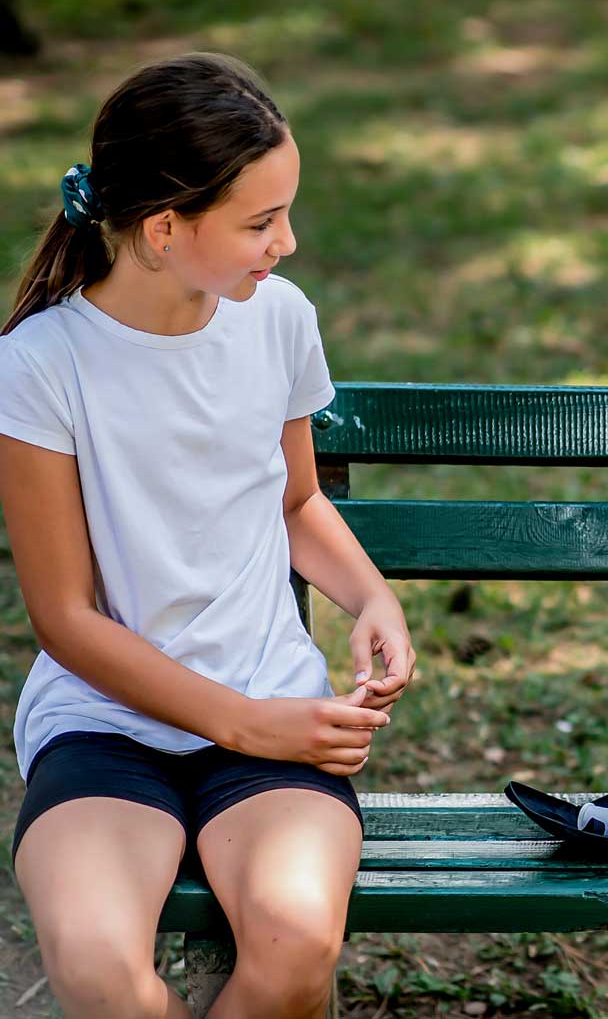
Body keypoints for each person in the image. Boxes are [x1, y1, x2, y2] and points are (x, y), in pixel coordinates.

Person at [0, 53, 416, 1019]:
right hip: (107, 726)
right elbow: (63, 618)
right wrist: (239, 719)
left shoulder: (277, 321)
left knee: (296, 944)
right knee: (105, 971)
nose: (289, 242)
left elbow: (296, 502)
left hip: (271, 719)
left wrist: (375, 599)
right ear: (162, 229)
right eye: (261, 222)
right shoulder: (41, 366)